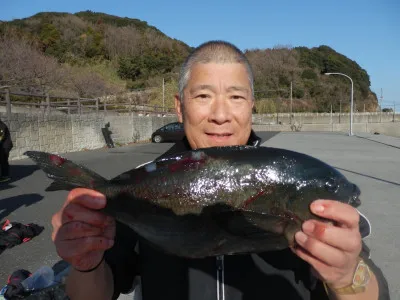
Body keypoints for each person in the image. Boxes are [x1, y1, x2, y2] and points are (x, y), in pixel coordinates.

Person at [51, 41, 389, 300]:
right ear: (179, 107)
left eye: (236, 97)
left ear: (251, 105)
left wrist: (347, 276)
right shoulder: (141, 185)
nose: (221, 115)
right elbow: (97, 293)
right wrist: (86, 262)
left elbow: (376, 291)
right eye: (203, 95)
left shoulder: (296, 178)